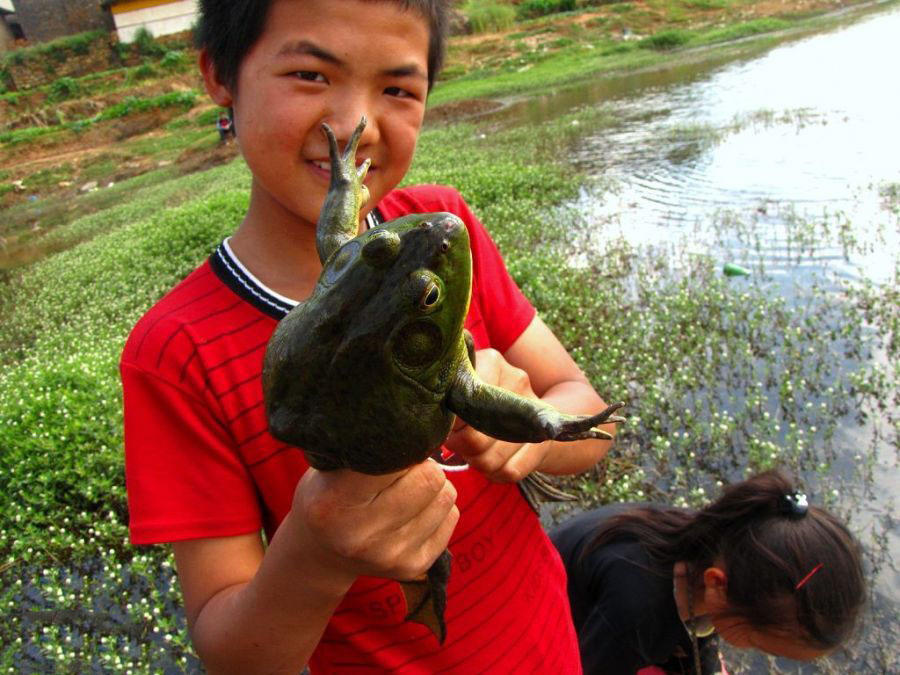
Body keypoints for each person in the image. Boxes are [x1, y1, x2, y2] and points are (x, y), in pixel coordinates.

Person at [121, 1, 618, 672]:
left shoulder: (442, 231)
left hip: (548, 645)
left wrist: (528, 436)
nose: (356, 125)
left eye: (397, 89)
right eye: (310, 74)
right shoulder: (176, 352)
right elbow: (232, 652)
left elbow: (591, 419)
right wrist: (314, 556)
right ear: (220, 75)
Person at [550, 470, 866, 675]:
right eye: (756, 641)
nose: (748, 646)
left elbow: (701, 637)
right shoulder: (637, 611)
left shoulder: (723, 546)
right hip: (550, 627)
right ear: (717, 585)